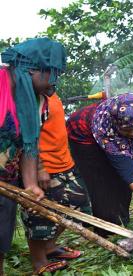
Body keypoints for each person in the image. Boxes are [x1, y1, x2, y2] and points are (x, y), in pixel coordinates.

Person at [0, 38, 67, 275]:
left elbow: (29, 143)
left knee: (1, 236)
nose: (54, 81)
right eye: (52, 73)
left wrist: (29, 185)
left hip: (5, 179)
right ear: (32, 70)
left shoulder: (36, 99)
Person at [66, 93, 133, 236]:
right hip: (82, 136)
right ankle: (107, 228)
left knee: (122, 179)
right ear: (116, 124)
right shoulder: (106, 128)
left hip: (109, 129)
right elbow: (128, 172)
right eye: (126, 130)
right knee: (101, 181)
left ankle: (122, 219)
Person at [21, 93, 93, 274]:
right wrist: (39, 167)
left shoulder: (51, 93)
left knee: (79, 206)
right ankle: (39, 263)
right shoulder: (32, 96)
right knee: (39, 216)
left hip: (64, 162)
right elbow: (28, 133)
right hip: (45, 166)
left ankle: (50, 247)